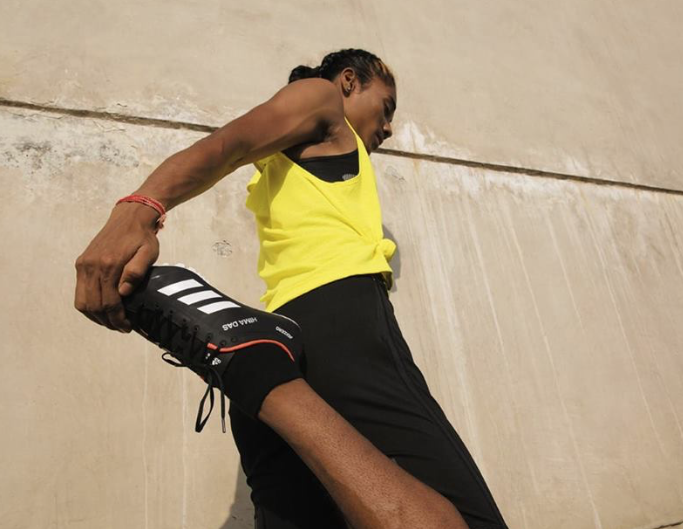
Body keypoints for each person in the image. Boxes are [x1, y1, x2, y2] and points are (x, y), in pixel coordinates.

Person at [74, 48, 509, 529]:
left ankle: (256, 371)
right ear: (349, 82)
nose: (389, 128)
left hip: (281, 342)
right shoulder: (323, 99)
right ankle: (255, 367)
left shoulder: (285, 160)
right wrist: (138, 211)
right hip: (341, 324)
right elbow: (229, 144)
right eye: (386, 108)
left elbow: (238, 148)